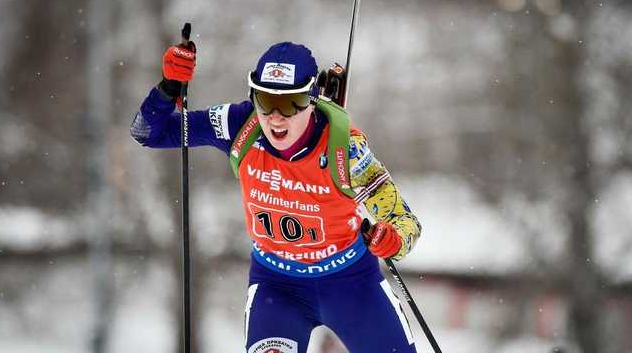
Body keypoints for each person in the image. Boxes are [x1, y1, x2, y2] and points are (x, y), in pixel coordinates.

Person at [131, 40, 422, 352]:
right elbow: (147, 132)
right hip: (278, 288)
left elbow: (404, 222)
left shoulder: (345, 149)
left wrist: (391, 240)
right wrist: (168, 88)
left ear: (312, 99)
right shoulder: (240, 126)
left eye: (289, 103)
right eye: (264, 100)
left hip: (350, 284)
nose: (275, 117)